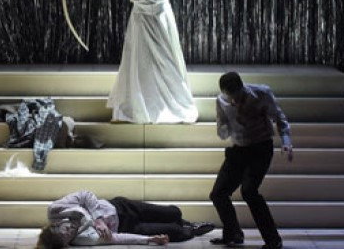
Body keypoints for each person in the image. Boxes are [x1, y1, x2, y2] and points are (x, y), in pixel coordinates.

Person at [59, 0, 198, 124]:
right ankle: (143, 103)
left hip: (150, 19)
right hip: (157, 17)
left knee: (162, 62)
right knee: (147, 61)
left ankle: (158, 106)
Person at [209, 71, 293, 249]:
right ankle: (233, 234)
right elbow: (222, 131)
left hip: (260, 148)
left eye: (237, 96)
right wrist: (231, 122)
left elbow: (280, 118)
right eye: (230, 97)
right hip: (238, 150)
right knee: (218, 193)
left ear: (242, 87)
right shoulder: (222, 101)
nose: (234, 100)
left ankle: (273, 240)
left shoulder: (261, 93)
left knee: (249, 191)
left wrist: (286, 142)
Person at [35, 189, 215, 247]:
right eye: (68, 238)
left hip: (121, 207)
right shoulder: (80, 240)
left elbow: (85, 194)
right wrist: (148, 239)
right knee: (176, 232)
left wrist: (98, 219)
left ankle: (185, 222)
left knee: (174, 213)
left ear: (55, 226)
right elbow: (114, 238)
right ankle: (191, 229)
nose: (70, 232)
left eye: (65, 231)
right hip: (126, 227)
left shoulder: (56, 210)